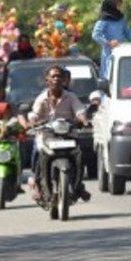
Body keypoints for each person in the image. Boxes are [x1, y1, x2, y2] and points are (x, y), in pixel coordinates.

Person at [26, 66, 91, 201]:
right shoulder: (41, 98)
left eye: (59, 76)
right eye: (53, 76)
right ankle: (38, 185)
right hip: (47, 137)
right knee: (37, 153)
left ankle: (79, 185)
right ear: (47, 80)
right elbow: (34, 114)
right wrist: (32, 122)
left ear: (64, 80)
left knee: (80, 155)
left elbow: (79, 111)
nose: (56, 79)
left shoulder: (71, 97)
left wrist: (84, 121)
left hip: (68, 136)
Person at [92, 0, 131, 79]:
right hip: (110, 53)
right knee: (110, 76)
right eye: (116, 2)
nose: (119, 4)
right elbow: (95, 35)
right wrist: (108, 43)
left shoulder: (121, 17)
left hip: (122, 51)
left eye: (119, 2)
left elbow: (128, 33)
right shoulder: (104, 19)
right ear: (110, 3)